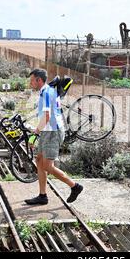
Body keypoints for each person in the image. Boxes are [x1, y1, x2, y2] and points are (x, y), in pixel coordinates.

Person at [25, 69, 84, 205]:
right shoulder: (46, 91)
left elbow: (47, 116)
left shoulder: (46, 93)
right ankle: (42, 195)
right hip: (47, 130)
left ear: (39, 80)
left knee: (47, 166)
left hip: (53, 132)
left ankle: (75, 186)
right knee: (39, 160)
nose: (30, 83)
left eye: (32, 80)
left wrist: (35, 133)